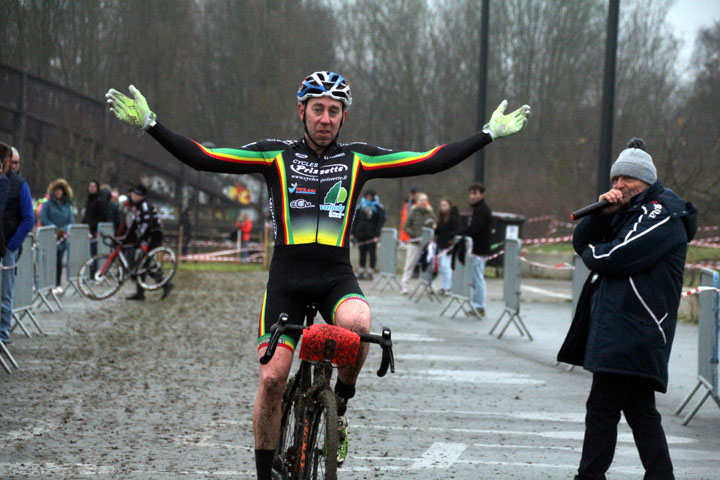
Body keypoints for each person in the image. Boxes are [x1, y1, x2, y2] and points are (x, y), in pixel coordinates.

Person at [105, 72, 530, 480]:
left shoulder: (360, 158)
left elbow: (431, 161)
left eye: (333, 111)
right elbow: (204, 158)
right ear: (301, 111)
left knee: (360, 326)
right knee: (272, 379)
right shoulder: (275, 155)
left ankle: (340, 403)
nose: (325, 119)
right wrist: (151, 124)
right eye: (317, 110)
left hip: (335, 277)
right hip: (286, 282)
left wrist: (487, 134)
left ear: (344, 116)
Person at [559, 138, 697, 480]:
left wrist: (593, 253)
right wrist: (601, 216)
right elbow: (582, 241)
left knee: (604, 408)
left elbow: (615, 256)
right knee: (638, 411)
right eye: (615, 179)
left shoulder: (660, 211)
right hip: (622, 328)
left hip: (635, 328)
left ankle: (590, 476)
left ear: (647, 180)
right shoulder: (627, 211)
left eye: (628, 179)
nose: (620, 185)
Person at [1, 145, 34, 345]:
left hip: (7, 247)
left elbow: (28, 219)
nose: (12, 165)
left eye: (16, 162)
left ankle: (3, 335)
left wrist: (11, 245)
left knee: (5, 293)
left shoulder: (20, 185)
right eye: (9, 161)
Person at [122, 184, 174, 301]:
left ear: (141, 196)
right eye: (132, 194)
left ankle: (164, 285)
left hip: (153, 237)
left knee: (143, 263)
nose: (132, 196)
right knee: (143, 264)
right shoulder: (138, 207)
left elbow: (147, 224)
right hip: (147, 237)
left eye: (135, 194)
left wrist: (139, 239)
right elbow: (135, 225)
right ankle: (144, 291)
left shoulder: (145, 206)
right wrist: (125, 239)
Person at [459, 183, 492, 317]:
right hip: (477, 248)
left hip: (480, 249)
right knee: (475, 277)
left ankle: (479, 306)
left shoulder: (482, 210)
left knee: (477, 278)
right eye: (471, 193)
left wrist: (461, 232)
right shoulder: (478, 209)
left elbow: (475, 228)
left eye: (475, 193)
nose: (472, 196)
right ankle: (476, 304)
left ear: (482, 194)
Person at [40, 178, 74, 294]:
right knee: (48, 261)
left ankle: (57, 284)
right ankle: (45, 283)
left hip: (62, 238)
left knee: (59, 261)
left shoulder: (67, 205)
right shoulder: (47, 205)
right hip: (49, 236)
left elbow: (71, 220)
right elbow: (44, 219)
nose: (58, 192)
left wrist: (63, 230)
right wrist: (55, 228)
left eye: (60, 190)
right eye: (56, 190)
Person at [400, 192, 435, 294]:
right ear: (417, 201)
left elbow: (434, 224)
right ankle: (404, 284)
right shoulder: (413, 212)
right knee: (409, 264)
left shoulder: (430, 213)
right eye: (421, 200)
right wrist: (414, 235)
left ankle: (429, 285)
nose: (423, 202)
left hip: (427, 244)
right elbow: (405, 226)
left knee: (428, 265)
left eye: (425, 200)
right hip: (415, 242)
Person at [351, 189, 386, 280]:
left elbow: (380, 222)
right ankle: (361, 270)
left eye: (371, 196)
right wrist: (353, 233)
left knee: (372, 253)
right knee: (362, 252)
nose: (369, 197)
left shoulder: (378, 208)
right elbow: (356, 220)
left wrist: (377, 235)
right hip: (361, 233)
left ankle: (370, 271)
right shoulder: (360, 206)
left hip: (372, 234)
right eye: (368, 195)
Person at [434, 198, 459, 295]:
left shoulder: (453, 218)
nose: (443, 208)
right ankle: (444, 286)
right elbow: (439, 231)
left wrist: (451, 239)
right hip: (441, 243)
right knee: (441, 267)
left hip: (448, 245)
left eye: (445, 205)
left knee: (446, 266)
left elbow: (455, 230)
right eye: (441, 205)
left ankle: (448, 287)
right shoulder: (441, 218)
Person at [82, 180, 108, 265]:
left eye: (94, 187)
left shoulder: (100, 200)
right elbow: (87, 214)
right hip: (88, 229)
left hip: (95, 230)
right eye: (90, 186)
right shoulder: (88, 199)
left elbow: (102, 215)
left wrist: (92, 226)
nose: (92, 188)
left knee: (95, 252)